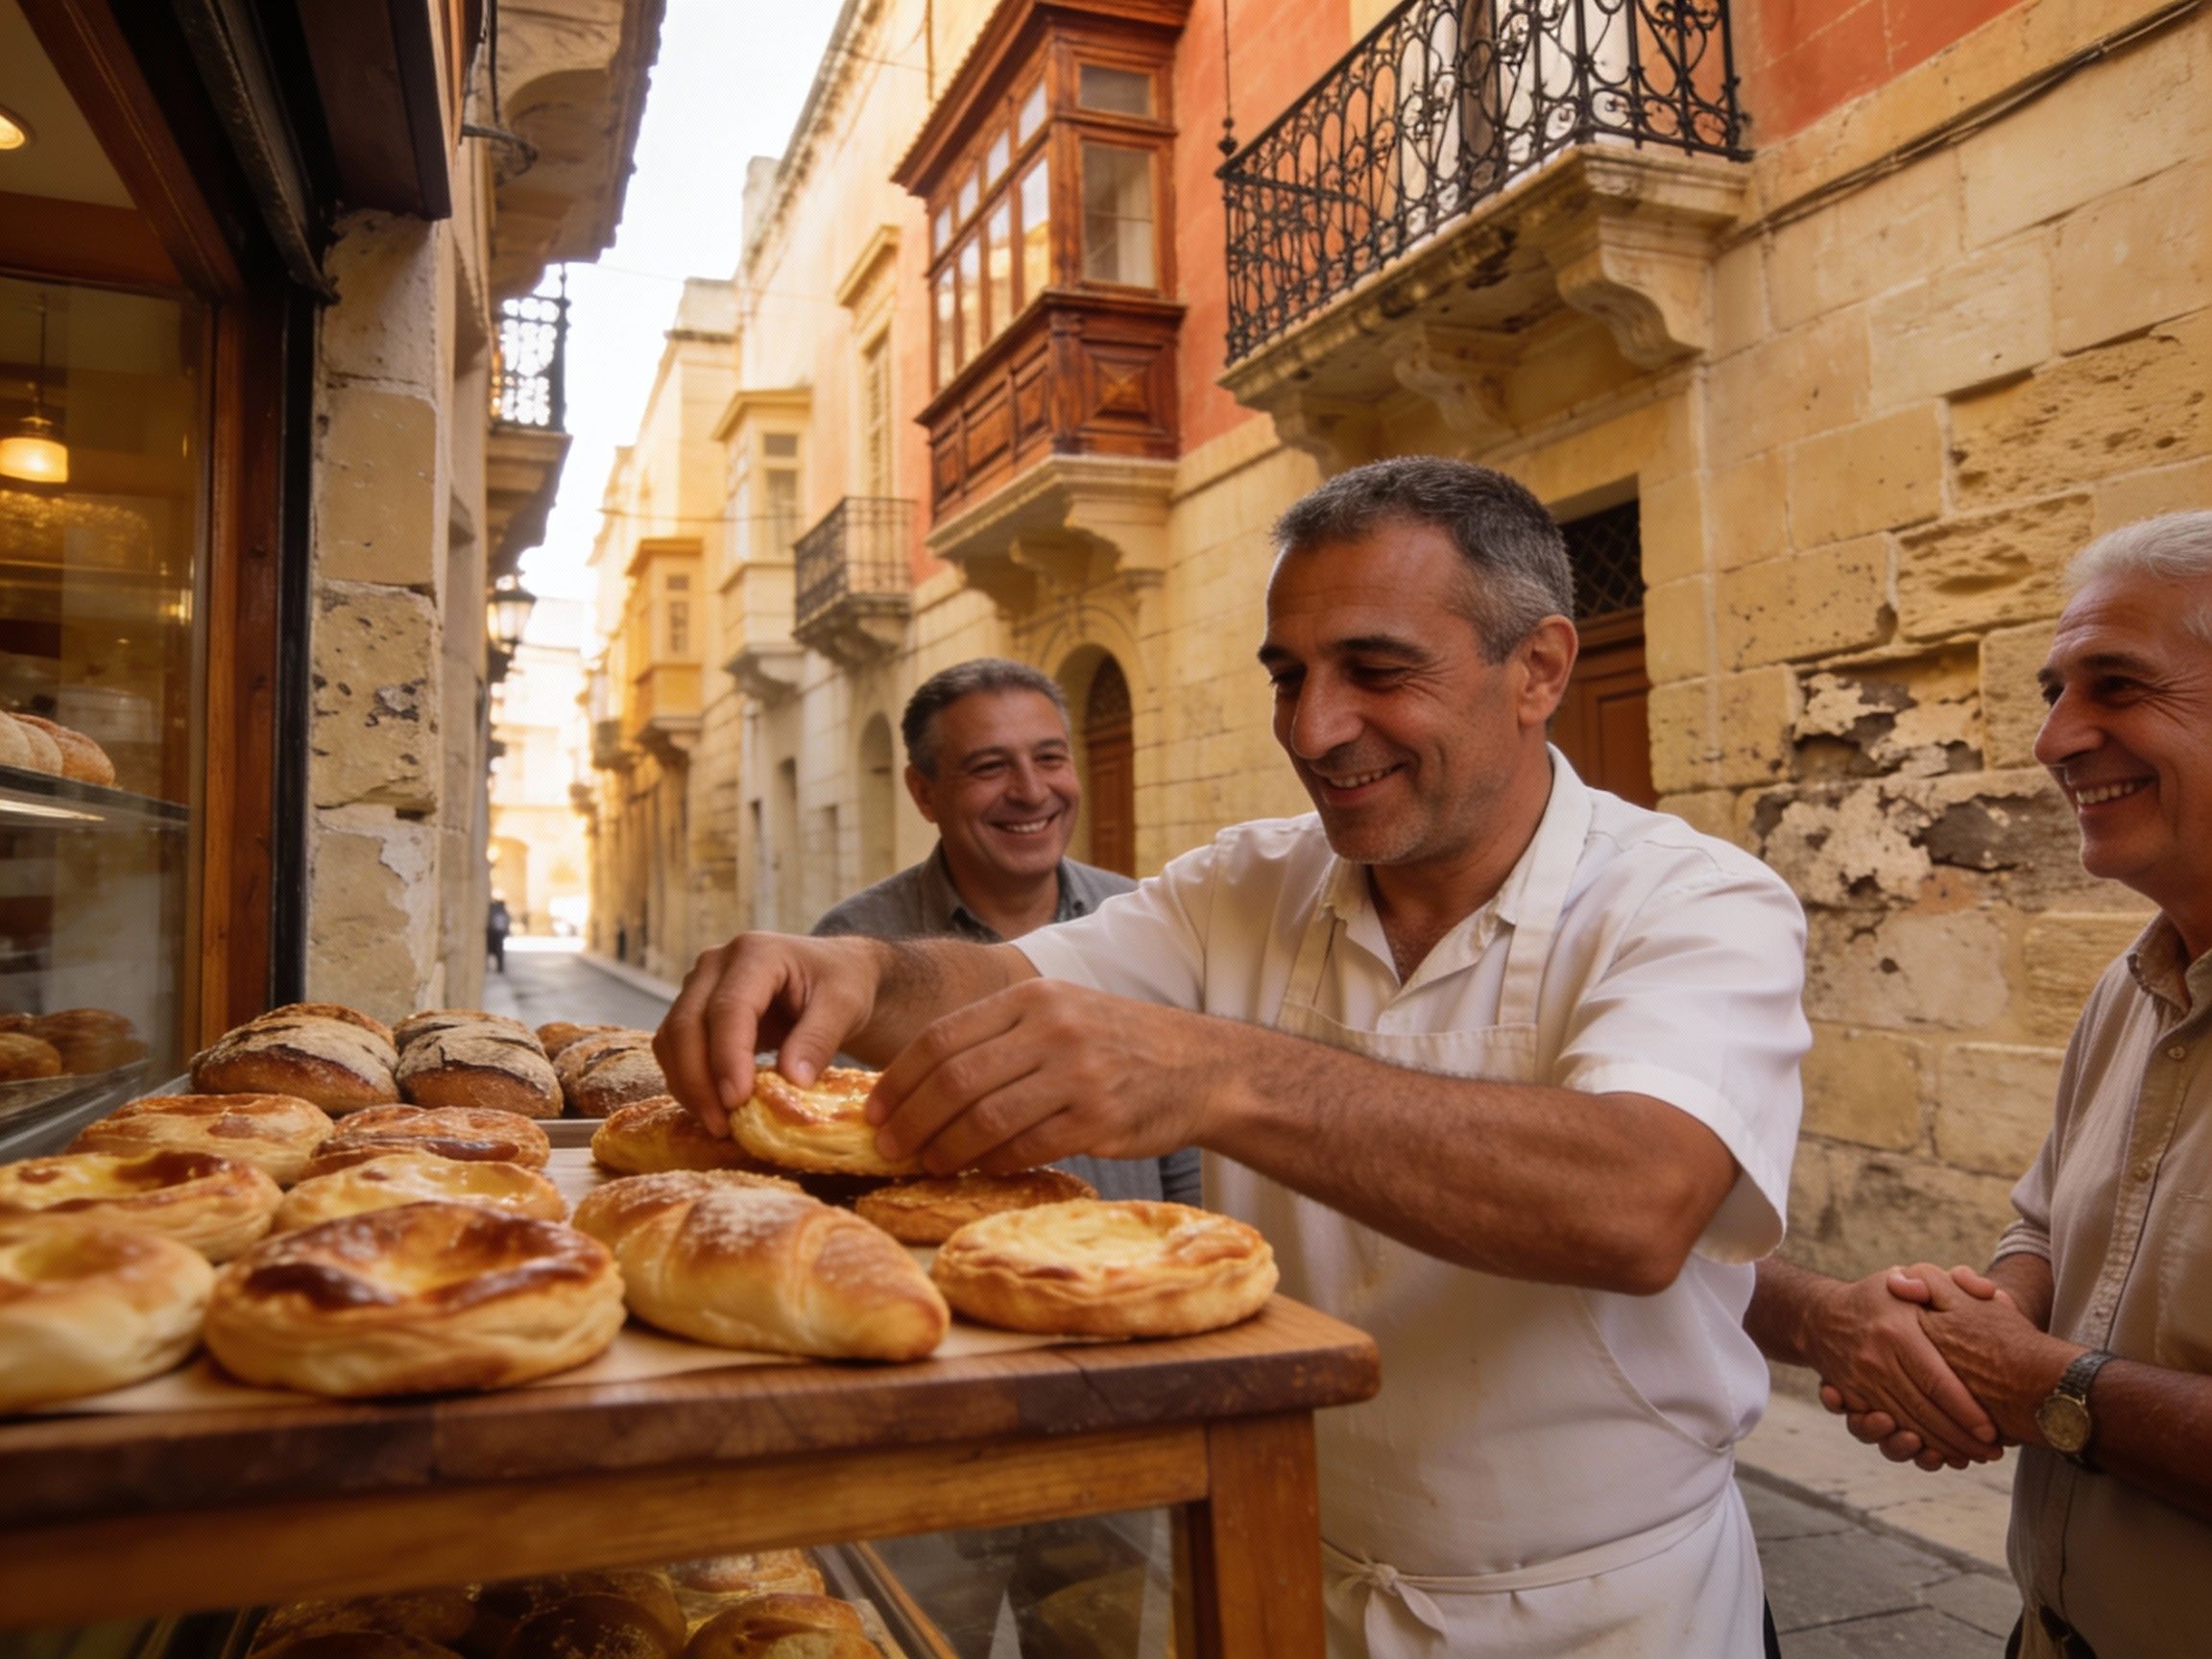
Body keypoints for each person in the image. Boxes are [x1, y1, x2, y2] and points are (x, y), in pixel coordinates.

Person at [658, 457, 1812, 1657]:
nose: (1314, 730)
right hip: (1273, 1567)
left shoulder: (1696, 901)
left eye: (1376, 670)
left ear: (1540, 669)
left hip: (1605, 1613)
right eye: (1289, 676)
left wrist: (1218, 1073)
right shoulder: (1246, 882)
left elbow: (1636, 1203)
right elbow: (1011, 979)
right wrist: (858, 973)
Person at [1743, 511, 2212, 1659]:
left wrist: (2048, 1386)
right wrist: (1978, 1329)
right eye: (2057, 690)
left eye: (2116, 685)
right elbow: (2046, 1222)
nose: (2057, 739)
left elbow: (2053, 1376)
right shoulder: (2136, 983)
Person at [814, 657, 1198, 1207]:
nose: (1031, 791)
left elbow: (1183, 1152)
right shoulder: (854, 948)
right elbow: (832, 1166)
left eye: (1050, 758)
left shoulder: (1140, 918)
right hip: (954, 1279)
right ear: (924, 793)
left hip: (1135, 1275)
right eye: (990, 767)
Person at [487, 894, 512, 974]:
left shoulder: (494, 910)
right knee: (499, 951)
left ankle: (499, 967)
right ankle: (499, 967)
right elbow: (507, 922)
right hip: (498, 933)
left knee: (495, 951)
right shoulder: (500, 911)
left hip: (494, 932)